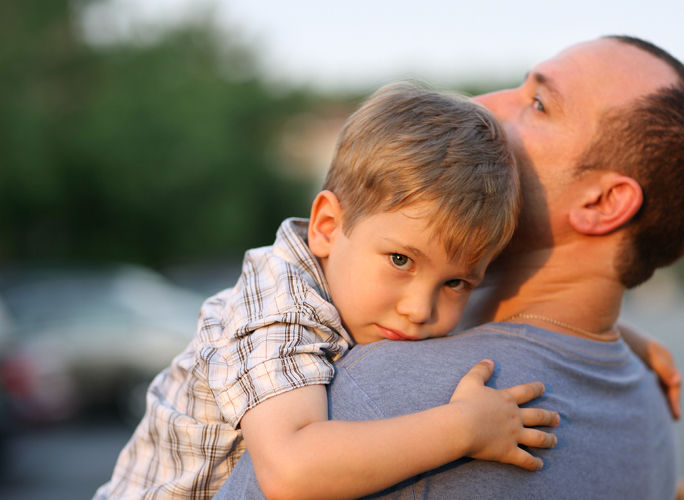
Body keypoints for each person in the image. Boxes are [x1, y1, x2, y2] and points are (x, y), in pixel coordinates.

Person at [215, 35, 684, 499]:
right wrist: (624, 338)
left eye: (538, 104)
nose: (483, 105)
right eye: (401, 260)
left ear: (603, 202)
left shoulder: (388, 394)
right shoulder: (652, 406)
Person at [94, 83, 565, 500]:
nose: (420, 309)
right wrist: (464, 428)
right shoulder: (278, 306)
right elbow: (290, 471)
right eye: (401, 261)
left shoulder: (362, 288)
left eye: (455, 282)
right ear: (326, 226)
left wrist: (620, 337)